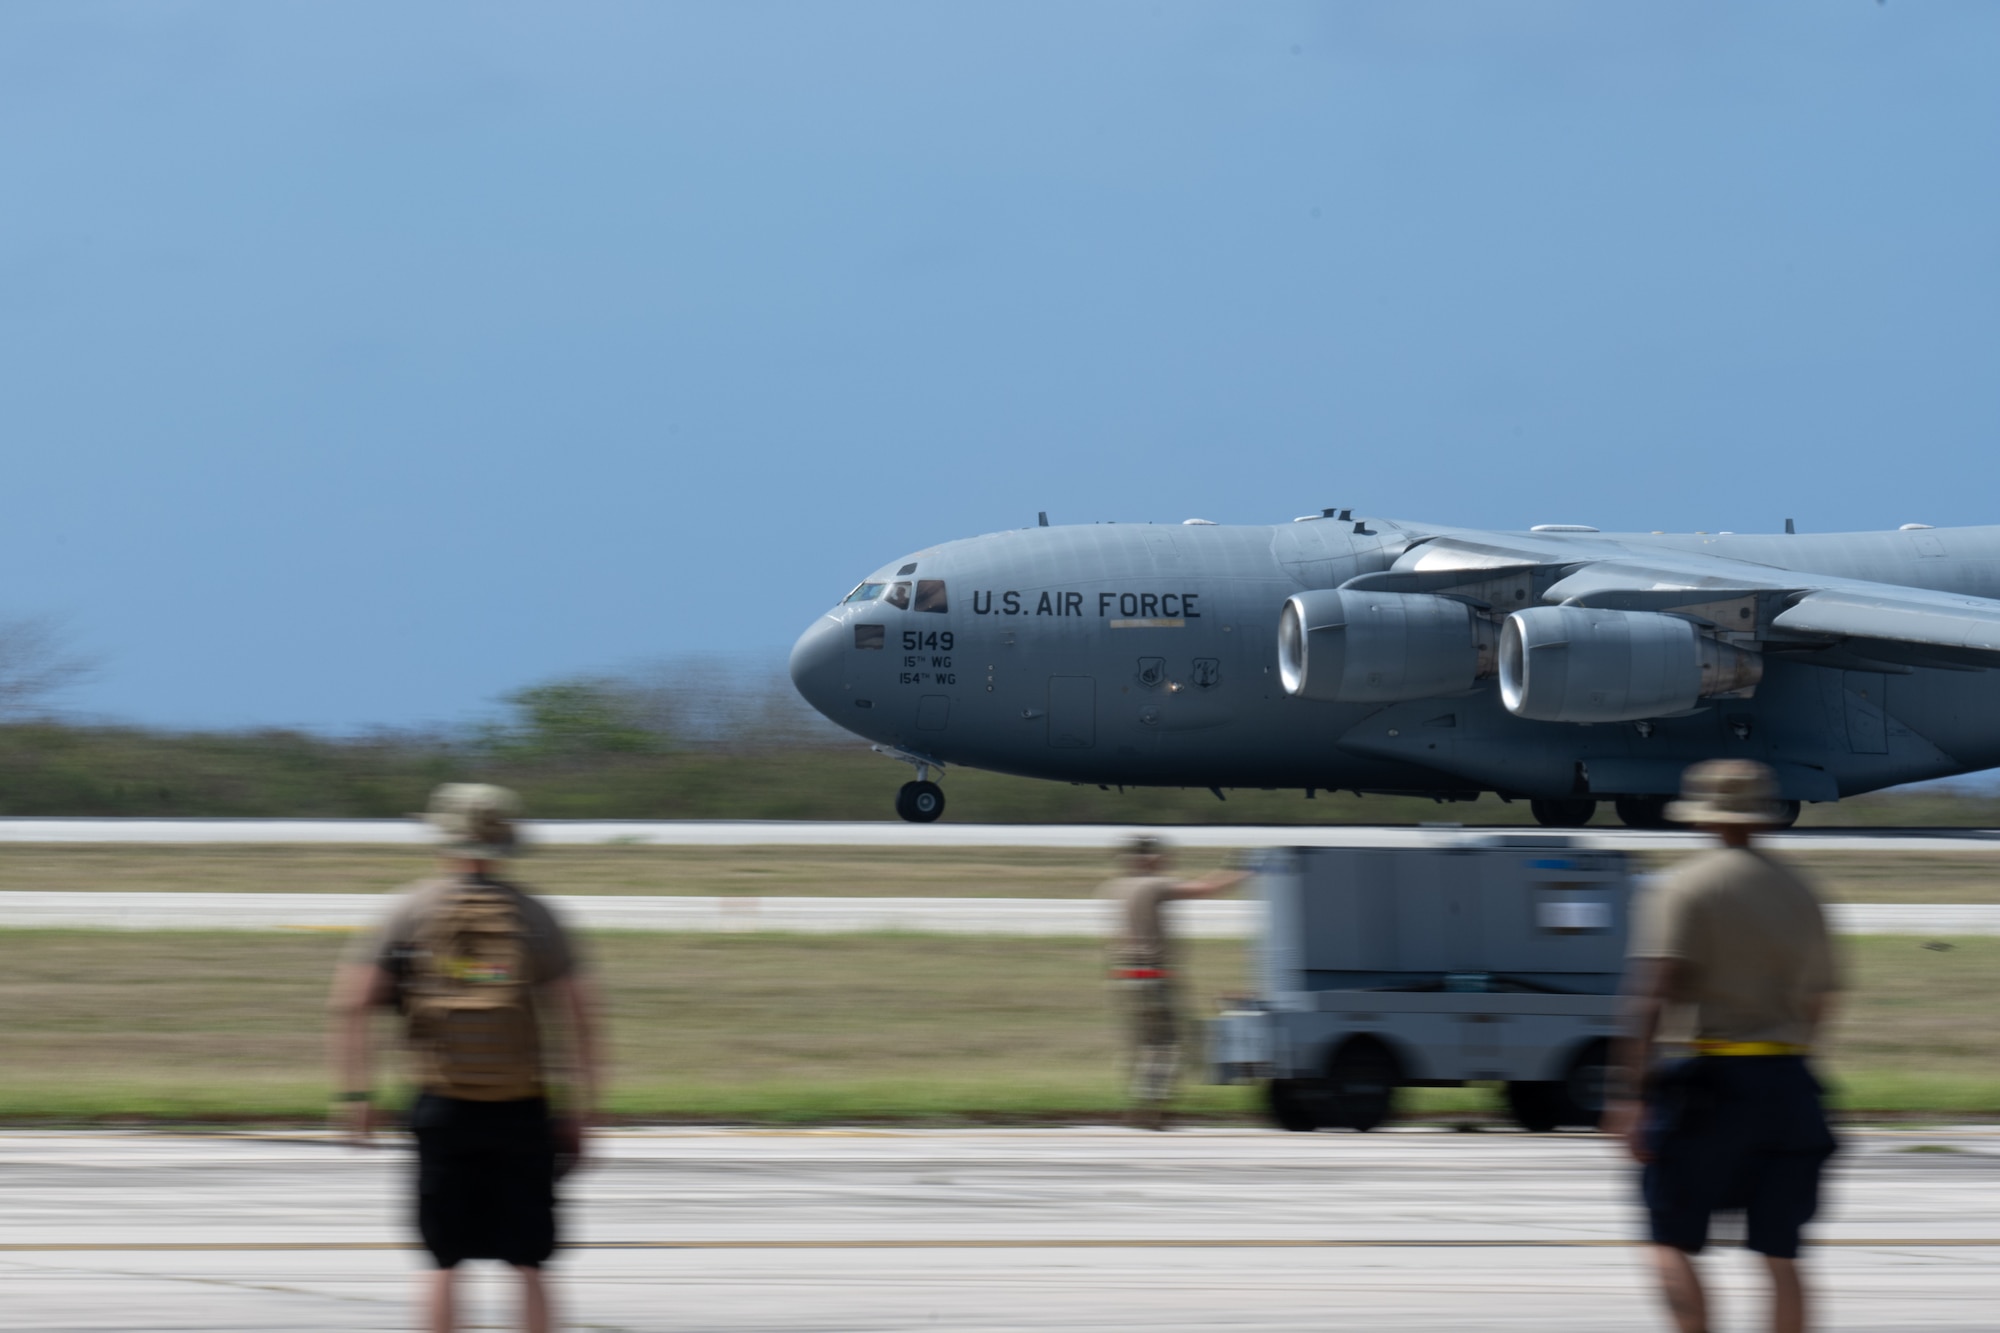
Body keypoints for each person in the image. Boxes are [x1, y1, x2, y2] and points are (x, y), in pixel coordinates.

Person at [329, 784, 604, 1333]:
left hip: (441, 1106)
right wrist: (581, 1112)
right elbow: (580, 1016)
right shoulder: (536, 915)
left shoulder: (409, 910)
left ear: (441, 837)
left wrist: (356, 1096)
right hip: (521, 1106)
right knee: (529, 1262)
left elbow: (352, 1003)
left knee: (443, 1262)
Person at [1605, 760, 1841, 1333]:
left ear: (1700, 816)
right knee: (1781, 1253)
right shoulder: (1801, 892)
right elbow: (1822, 999)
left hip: (1709, 1083)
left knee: (1669, 1238)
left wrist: (1629, 1092)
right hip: (1789, 1083)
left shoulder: (1685, 887)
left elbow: (1651, 995)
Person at [1098, 835, 1248, 1130]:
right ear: (1148, 858)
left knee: (1141, 1044)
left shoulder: (1115, 887)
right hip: (1152, 975)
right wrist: (1243, 870)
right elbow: (1205, 889)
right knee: (1166, 1045)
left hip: (1123, 976)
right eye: (1160, 856)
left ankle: (1138, 1106)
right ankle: (1153, 1111)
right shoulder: (1153, 884)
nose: (1166, 860)